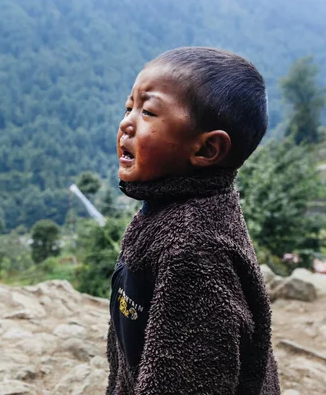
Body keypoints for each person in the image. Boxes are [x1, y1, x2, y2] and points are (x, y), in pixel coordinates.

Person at [106, 47, 280, 394]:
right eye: (129, 107)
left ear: (206, 150)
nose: (126, 123)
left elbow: (189, 381)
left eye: (149, 112)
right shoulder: (165, 208)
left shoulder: (195, 251)